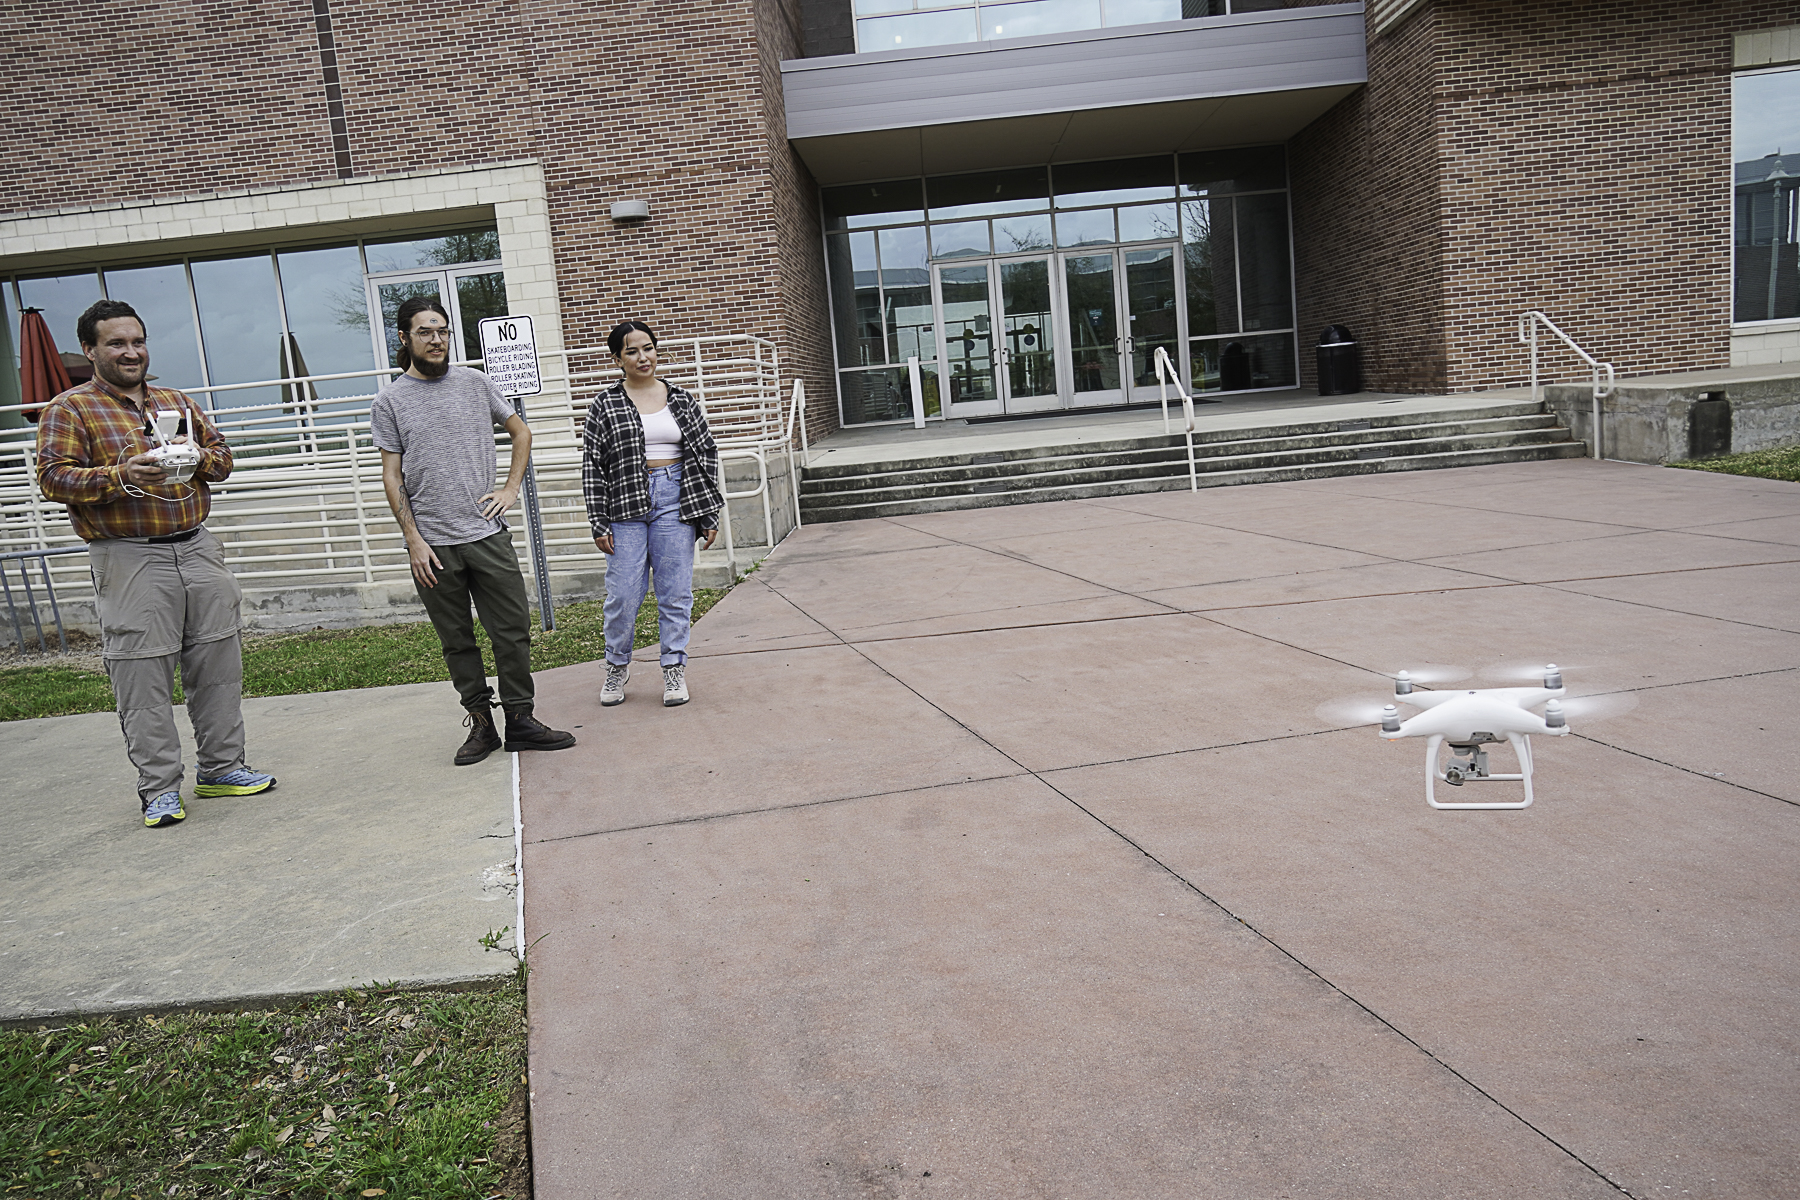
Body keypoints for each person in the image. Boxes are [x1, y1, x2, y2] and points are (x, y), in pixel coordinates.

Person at [36, 300, 276, 828]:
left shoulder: (175, 400)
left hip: (197, 547)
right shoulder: (70, 408)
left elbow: (224, 459)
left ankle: (221, 769)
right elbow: (53, 477)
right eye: (116, 343)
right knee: (142, 675)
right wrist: (123, 475)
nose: (131, 352)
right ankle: (160, 789)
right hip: (128, 556)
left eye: (137, 341)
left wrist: (198, 459)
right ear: (90, 350)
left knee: (217, 665)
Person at [371, 296, 575, 764]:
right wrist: (413, 540)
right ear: (404, 338)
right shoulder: (389, 401)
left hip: (487, 534)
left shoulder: (476, 383)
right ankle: (482, 726)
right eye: (425, 331)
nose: (437, 339)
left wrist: (509, 489)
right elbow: (391, 475)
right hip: (434, 545)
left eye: (442, 330)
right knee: (457, 638)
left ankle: (521, 720)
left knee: (512, 630)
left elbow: (521, 433)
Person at [581, 320, 723, 707]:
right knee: (624, 593)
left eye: (648, 348)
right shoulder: (606, 404)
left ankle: (674, 668)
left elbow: (705, 452)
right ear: (617, 359)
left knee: (675, 591)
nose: (642, 357)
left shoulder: (680, 398)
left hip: (676, 497)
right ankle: (616, 666)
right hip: (624, 503)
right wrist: (598, 519)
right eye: (631, 351)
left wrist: (708, 512)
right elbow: (593, 465)